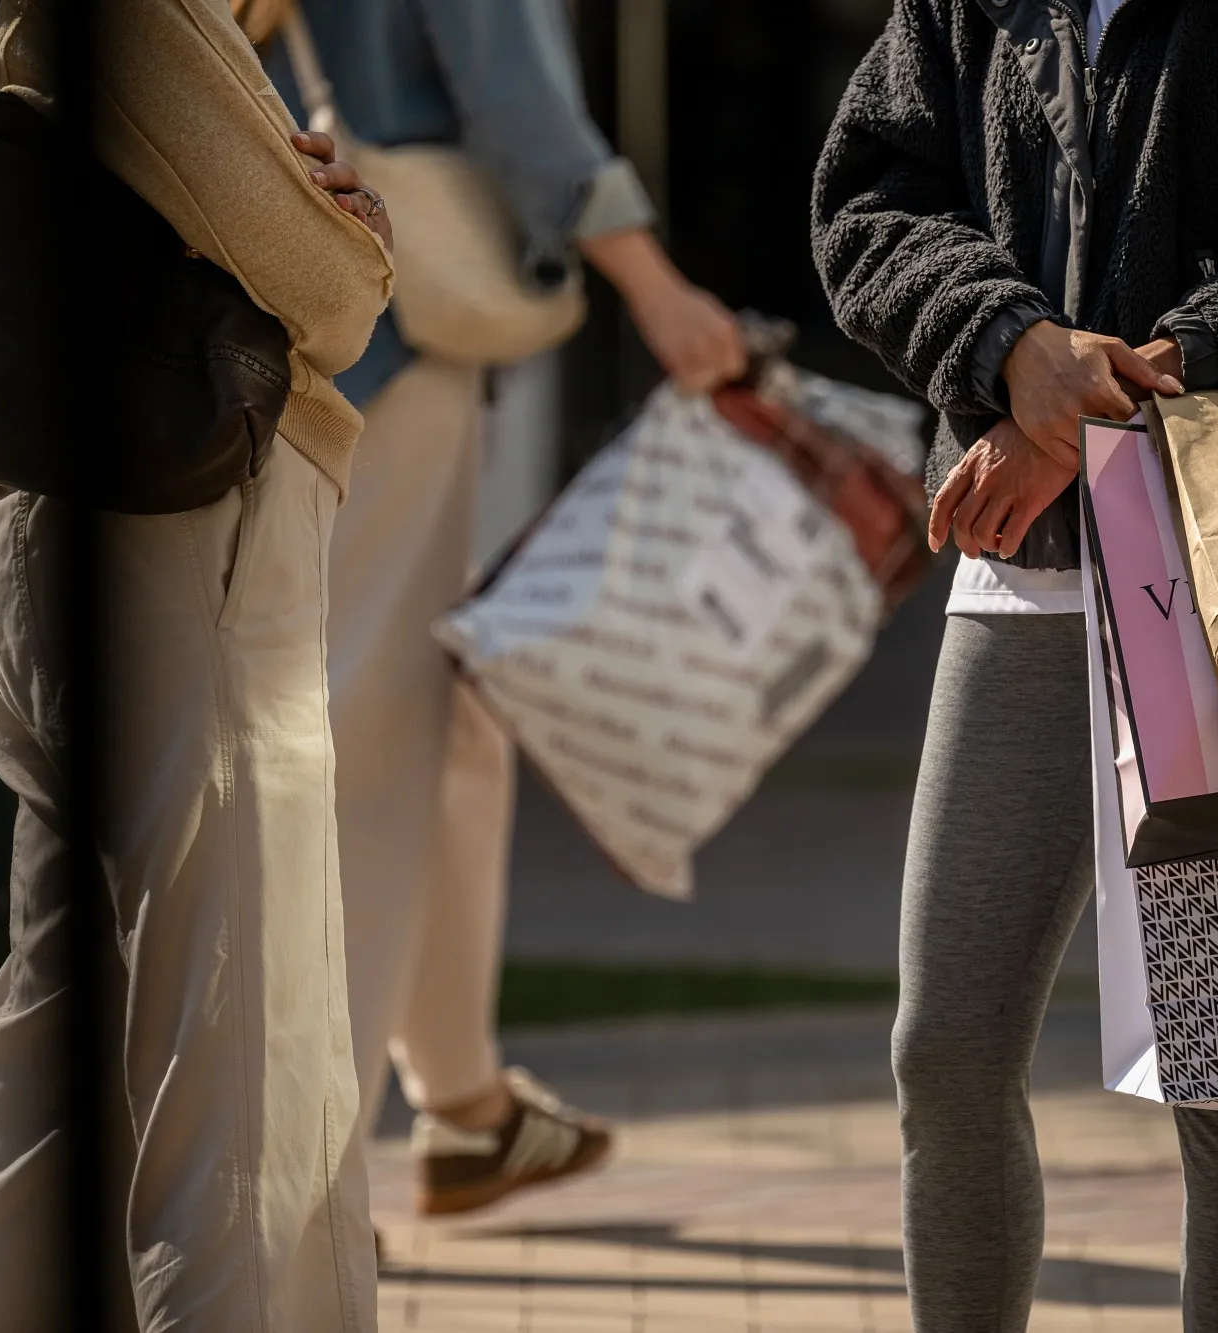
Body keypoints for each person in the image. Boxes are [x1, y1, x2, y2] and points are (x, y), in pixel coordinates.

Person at [813, 2, 1218, 1329]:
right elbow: (870, 203)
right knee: (944, 1048)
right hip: (1030, 577)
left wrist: (1115, 393)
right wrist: (1009, 345)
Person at [0, 0, 395, 1327]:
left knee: (64, 1051)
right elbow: (327, 287)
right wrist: (356, 231)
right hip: (177, 539)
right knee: (238, 1065)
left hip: (22, 529)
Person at [246, 0, 748, 1220]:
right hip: (384, 328)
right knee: (371, 741)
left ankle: (465, 1102)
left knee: (440, 713)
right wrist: (655, 284)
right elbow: (516, 98)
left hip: (283, 316)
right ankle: (302, 1174)